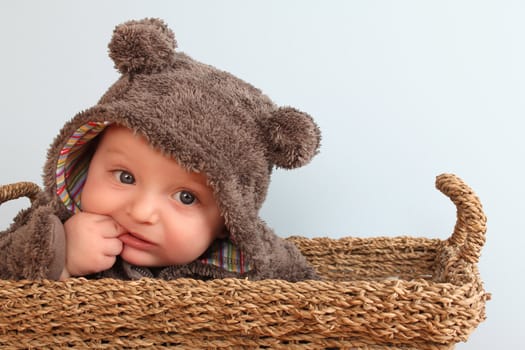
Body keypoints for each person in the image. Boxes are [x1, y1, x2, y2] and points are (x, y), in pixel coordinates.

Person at [0, 18, 321, 282]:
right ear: (86, 161)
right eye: (125, 177)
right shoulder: (52, 223)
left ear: (228, 218)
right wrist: (60, 258)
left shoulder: (251, 265)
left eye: (186, 197)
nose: (141, 213)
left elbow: (312, 306)